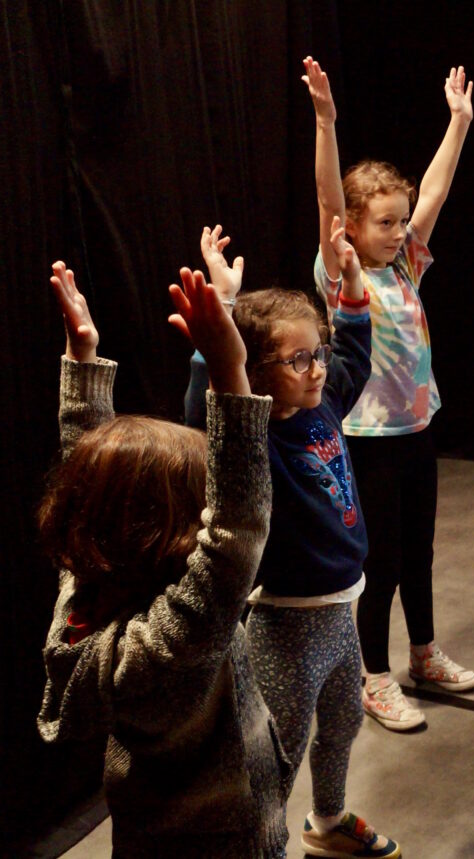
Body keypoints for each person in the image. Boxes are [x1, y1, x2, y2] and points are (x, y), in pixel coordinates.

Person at [38, 261, 290, 857]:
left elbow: (91, 487)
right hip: (229, 838)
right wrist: (231, 375)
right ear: (171, 531)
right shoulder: (173, 641)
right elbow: (236, 529)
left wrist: (83, 360)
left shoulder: (87, 596)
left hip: (146, 827)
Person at [184, 214, 399, 858]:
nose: (314, 369)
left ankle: (327, 824)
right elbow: (208, 408)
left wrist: (354, 287)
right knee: (279, 749)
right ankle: (263, 844)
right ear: (253, 367)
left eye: (317, 354)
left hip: (338, 612)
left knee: (343, 723)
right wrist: (217, 321)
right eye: (297, 358)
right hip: (283, 625)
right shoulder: (251, 437)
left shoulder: (322, 403)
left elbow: (355, 354)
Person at [309, 60, 474, 731]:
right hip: (367, 437)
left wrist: (458, 123)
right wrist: (326, 122)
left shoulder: (406, 263)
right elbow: (327, 196)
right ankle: (372, 677)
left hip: (416, 429)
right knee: (380, 562)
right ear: (350, 227)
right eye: (384, 222)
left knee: (419, 552)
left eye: (400, 221)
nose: (398, 230)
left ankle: (425, 653)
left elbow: (434, 193)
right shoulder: (340, 269)